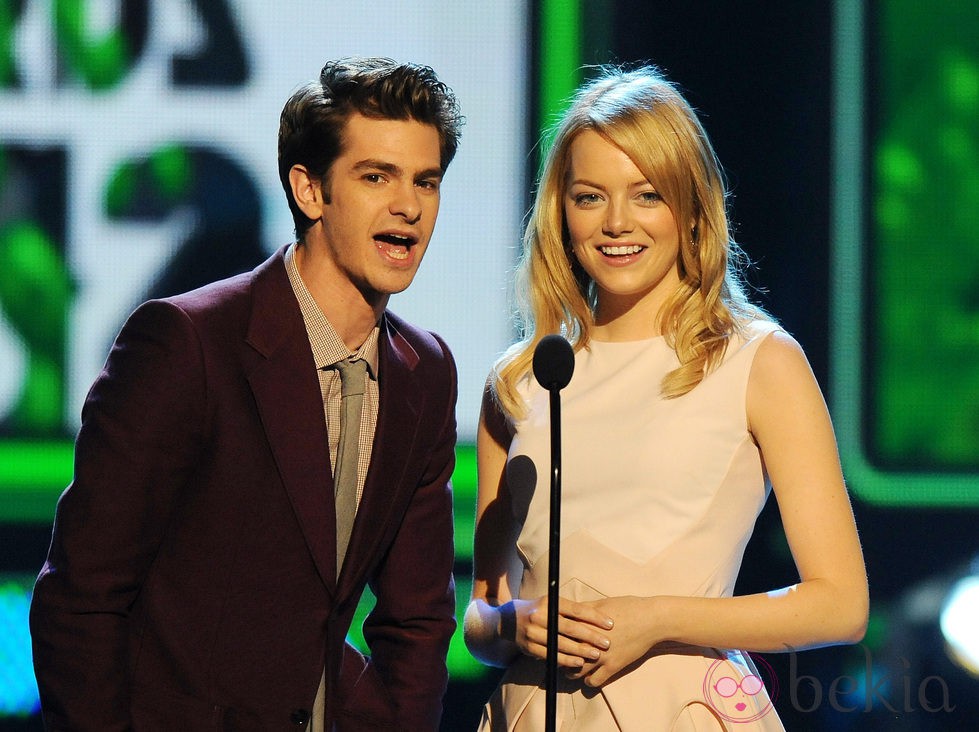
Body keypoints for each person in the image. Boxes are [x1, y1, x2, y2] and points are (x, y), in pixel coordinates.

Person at [30, 57, 463, 731]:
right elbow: (80, 597)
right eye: (375, 176)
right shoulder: (187, 344)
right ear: (309, 190)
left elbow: (417, 617)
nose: (407, 206)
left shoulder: (423, 371)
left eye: (425, 181)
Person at [464, 65, 868, 730]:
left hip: (684, 709)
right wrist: (515, 624)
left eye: (646, 194)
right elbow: (482, 615)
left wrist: (656, 618)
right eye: (589, 197)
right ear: (560, 211)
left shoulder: (757, 362)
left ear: (689, 206)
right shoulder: (519, 381)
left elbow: (839, 605)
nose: (616, 222)